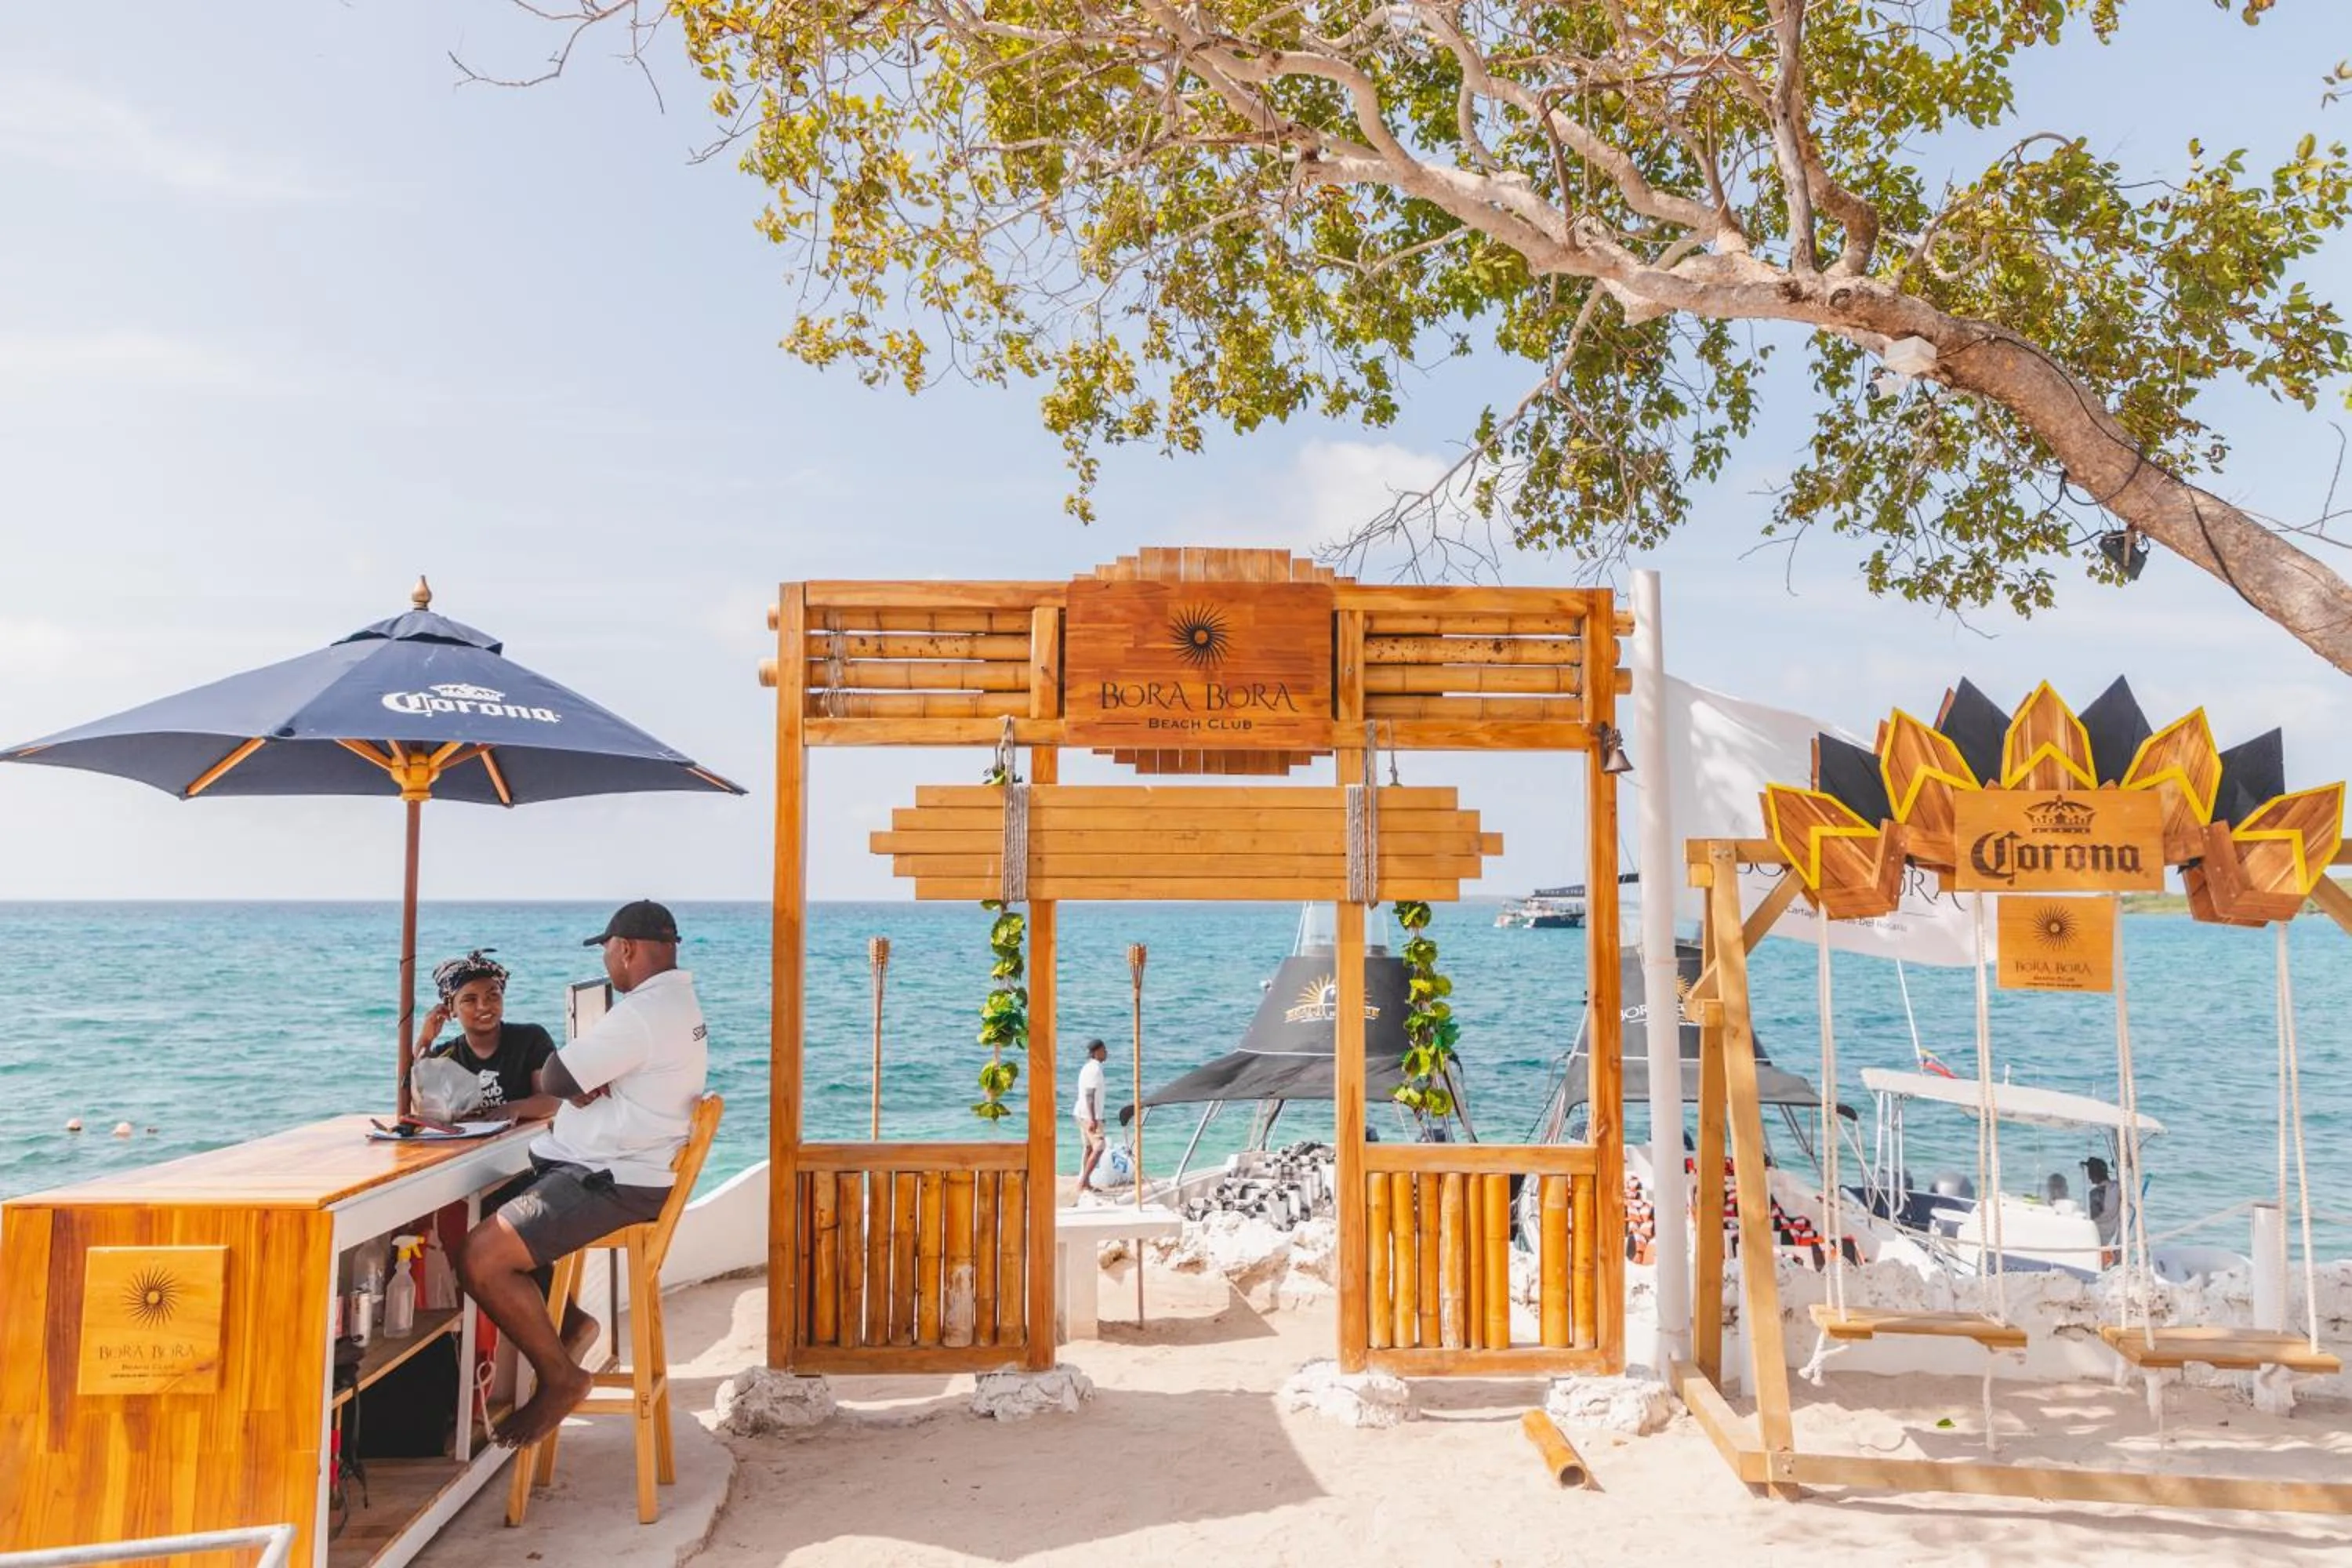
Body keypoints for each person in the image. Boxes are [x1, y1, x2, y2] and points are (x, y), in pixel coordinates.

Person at [455, 901, 708, 1450]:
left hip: (612, 1180)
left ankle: (562, 1377)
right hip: (620, 1170)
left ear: (627, 949)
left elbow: (554, 1073)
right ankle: (570, 1327)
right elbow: (575, 1080)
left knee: (480, 1255)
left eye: (610, 952)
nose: (611, 966)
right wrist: (595, 1079)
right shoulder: (676, 1002)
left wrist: (579, 1077)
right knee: (499, 1205)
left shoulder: (639, 1013)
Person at [414, 950, 560, 1122]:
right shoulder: (446, 1057)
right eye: (470, 1000)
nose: (483, 1006)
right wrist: (425, 1040)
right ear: (451, 1009)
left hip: (523, 1141)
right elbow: (423, 1109)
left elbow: (551, 1101)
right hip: (473, 1145)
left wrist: (514, 1108)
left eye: (493, 996)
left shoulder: (531, 1039)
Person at [1073, 1038, 1109, 1193]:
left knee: (1089, 1147)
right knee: (1100, 1147)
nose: (1106, 1053)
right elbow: (1089, 1095)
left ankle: (1085, 1182)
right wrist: (1093, 1118)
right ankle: (1083, 1182)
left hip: (1081, 1113)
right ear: (1096, 1052)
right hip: (1088, 1115)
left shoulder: (1087, 1068)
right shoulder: (1095, 1069)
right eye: (1103, 1050)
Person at [2083, 1155, 2122, 1265]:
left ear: (2094, 1176)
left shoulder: (2096, 1195)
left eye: (2090, 1173)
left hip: (2099, 1237)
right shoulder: (2116, 1187)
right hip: (2111, 1233)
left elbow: (2087, 1219)